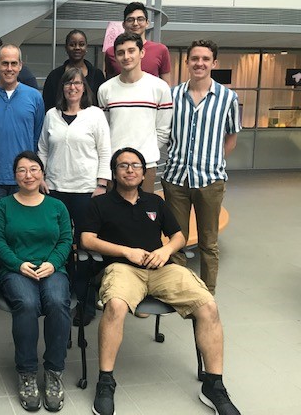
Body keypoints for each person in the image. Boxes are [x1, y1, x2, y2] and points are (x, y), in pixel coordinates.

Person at [80, 147, 241, 415]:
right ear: (114, 172)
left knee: (208, 306)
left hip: (161, 268)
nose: (130, 170)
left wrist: (165, 251)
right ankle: (106, 381)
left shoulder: (155, 202)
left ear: (144, 172)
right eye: (123, 166)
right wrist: (126, 251)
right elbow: (86, 239)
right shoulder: (100, 203)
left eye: (135, 165)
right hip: (122, 268)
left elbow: (177, 235)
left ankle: (213, 385)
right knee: (116, 306)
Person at [0, 151, 72, 412]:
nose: (28, 175)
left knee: (58, 302)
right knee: (26, 303)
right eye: (22, 170)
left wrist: (53, 263)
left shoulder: (57, 206)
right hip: (16, 270)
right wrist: (17, 264)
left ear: (42, 173)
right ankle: (26, 372)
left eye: (34, 169)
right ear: (15, 175)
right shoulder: (3, 206)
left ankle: (53, 371)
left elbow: (66, 240)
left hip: (52, 268)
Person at [161, 40, 241, 295]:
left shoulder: (228, 98)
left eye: (205, 59)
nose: (200, 63)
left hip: (210, 180)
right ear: (187, 62)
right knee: (177, 240)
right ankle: (180, 291)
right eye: (195, 58)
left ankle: (207, 295)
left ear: (214, 63)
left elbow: (231, 138)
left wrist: (214, 161)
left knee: (209, 242)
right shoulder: (172, 95)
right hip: (175, 179)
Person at [38, 67, 111, 325]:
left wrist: (102, 184)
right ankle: (60, 298)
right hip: (56, 190)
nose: (72, 87)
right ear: (62, 88)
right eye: (68, 84)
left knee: (86, 249)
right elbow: (43, 150)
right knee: (60, 247)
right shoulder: (51, 115)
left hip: (86, 191)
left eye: (77, 83)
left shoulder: (94, 115)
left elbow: (105, 151)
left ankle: (86, 303)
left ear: (84, 87)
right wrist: (41, 178)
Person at [0, 44, 45, 231]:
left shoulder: (35, 97)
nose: (9, 68)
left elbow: (38, 137)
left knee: (23, 230)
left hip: (24, 177)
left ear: (20, 65)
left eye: (13, 63)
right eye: (4, 63)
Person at [97, 32, 172, 194]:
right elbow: (105, 129)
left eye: (131, 51)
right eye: (121, 52)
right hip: (115, 165)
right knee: (113, 216)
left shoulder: (159, 87)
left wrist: (141, 155)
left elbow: (163, 130)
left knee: (143, 215)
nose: (126, 56)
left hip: (146, 165)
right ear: (115, 57)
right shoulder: (105, 89)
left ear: (142, 53)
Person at [104, 1, 171, 82]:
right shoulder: (112, 52)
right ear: (123, 25)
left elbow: (166, 86)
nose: (135, 23)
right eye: (130, 20)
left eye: (140, 19)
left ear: (147, 23)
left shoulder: (161, 50)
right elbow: (110, 84)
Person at [42, 29, 105, 111]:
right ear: (66, 48)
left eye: (81, 44)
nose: (77, 48)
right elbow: (48, 105)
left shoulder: (97, 75)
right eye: (72, 44)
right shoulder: (54, 76)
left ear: (86, 47)